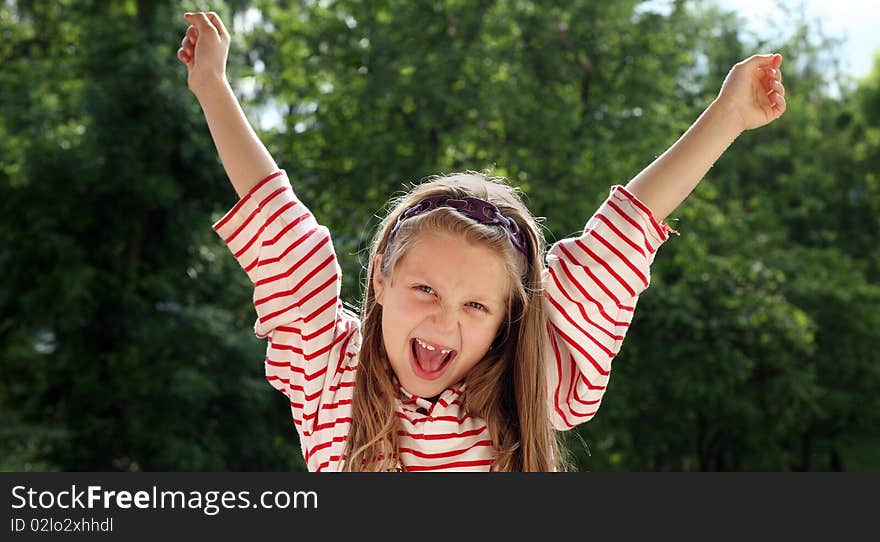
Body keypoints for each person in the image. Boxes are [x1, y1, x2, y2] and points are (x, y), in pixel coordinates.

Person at [177, 11, 786, 471]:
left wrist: (728, 116)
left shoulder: (524, 387)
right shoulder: (327, 367)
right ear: (382, 280)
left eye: (475, 305)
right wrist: (212, 86)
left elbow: (616, 244)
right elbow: (283, 231)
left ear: (505, 318)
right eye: (424, 288)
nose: (445, 319)